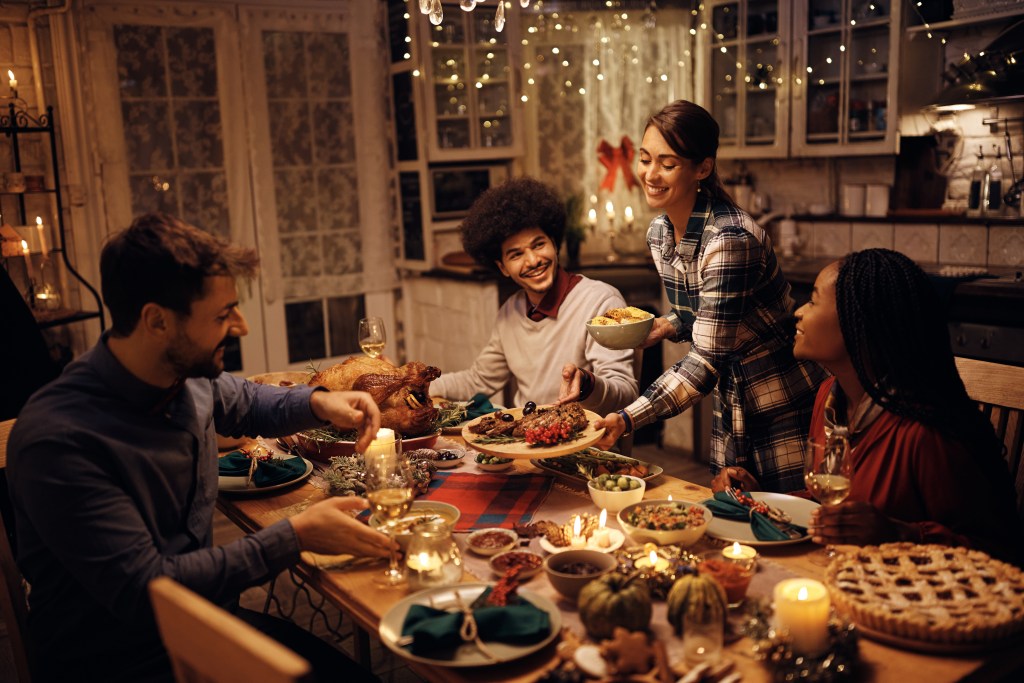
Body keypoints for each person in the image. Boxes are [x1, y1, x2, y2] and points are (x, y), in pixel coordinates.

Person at [7, 214, 392, 682]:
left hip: (206, 622)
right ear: (157, 321)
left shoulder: (184, 378)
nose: (242, 326)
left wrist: (320, 402)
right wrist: (295, 537)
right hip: (119, 661)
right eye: (221, 314)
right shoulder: (61, 439)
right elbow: (147, 590)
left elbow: (249, 400)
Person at [593, 100, 826, 492]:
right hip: (732, 406)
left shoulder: (729, 240)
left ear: (702, 168)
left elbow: (706, 358)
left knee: (788, 523)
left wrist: (627, 418)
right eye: (645, 159)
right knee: (734, 521)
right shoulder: (660, 234)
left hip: (782, 402)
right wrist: (666, 324)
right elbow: (701, 312)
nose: (651, 174)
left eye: (667, 164)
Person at [792, 249, 1021, 563]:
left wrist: (900, 534)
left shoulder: (925, 434)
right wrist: (754, 499)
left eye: (814, 301)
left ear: (859, 323)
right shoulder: (829, 397)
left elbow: (999, 554)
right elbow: (830, 506)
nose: (799, 312)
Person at [430, 177, 638, 416]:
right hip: (525, 441)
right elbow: (478, 380)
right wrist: (418, 385)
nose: (533, 260)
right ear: (503, 267)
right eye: (516, 254)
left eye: (538, 245)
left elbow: (626, 392)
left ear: (554, 243)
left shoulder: (601, 301)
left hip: (585, 444)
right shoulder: (510, 311)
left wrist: (587, 384)